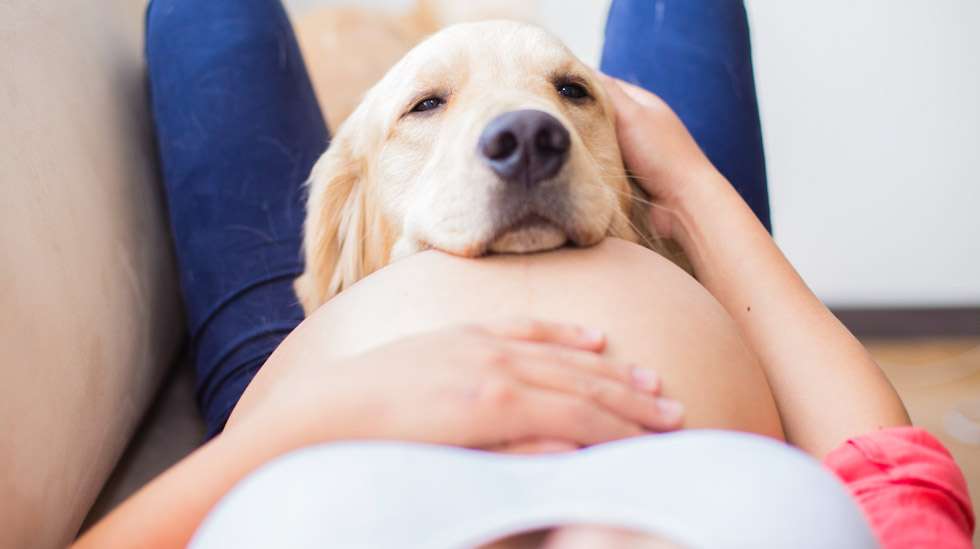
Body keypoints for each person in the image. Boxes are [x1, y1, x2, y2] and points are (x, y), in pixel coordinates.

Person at [75, 1, 974, 547]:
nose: (525, 126)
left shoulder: (312, 386)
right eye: (432, 106)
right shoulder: (670, 198)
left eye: (565, 99)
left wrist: (311, 413)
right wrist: (691, 185)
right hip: (694, 304)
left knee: (202, 11)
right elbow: (893, 478)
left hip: (314, 404)